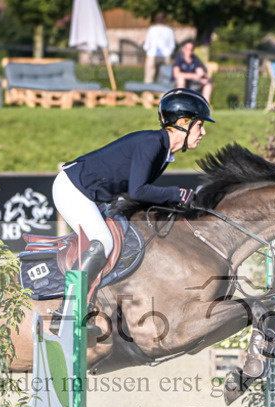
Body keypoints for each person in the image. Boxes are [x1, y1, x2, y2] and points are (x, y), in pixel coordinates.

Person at [53, 89, 212, 300]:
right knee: (103, 241)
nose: (203, 132)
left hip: (90, 194)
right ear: (183, 123)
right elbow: (138, 191)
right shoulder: (152, 143)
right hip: (73, 190)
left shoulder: (163, 151)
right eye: (199, 125)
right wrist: (178, 194)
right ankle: (69, 309)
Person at [172, 39, 213, 104]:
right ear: (183, 49)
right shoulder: (179, 58)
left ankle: (205, 105)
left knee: (207, 83)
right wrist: (194, 76)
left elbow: (200, 72)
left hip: (192, 83)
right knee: (181, 80)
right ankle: (182, 103)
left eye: (191, 48)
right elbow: (176, 74)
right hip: (177, 84)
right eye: (187, 48)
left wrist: (204, 76)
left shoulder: (195, 59)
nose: (189, 50)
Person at [142, 14, 176, 84]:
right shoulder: (169, 30)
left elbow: (147, 44)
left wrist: (146, 52)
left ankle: (147, 93)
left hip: (152, 54)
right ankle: (164, 93)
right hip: (166, 55)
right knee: (165, 78)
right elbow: (172, 45)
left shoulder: (152, 29)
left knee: (149, 77)